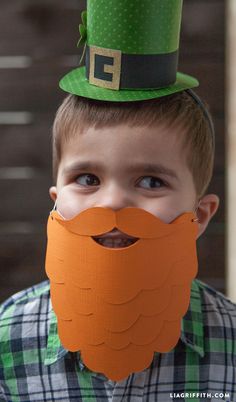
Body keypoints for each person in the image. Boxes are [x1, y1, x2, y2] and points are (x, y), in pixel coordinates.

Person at [1, 1, 235, 401]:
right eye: (87, 179)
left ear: (199, 216)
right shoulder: (8, 338)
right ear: (56, 203)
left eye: (150, 181)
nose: (112, 202)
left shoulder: (229, 343)